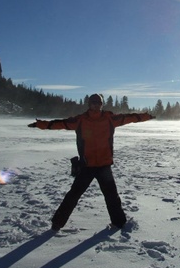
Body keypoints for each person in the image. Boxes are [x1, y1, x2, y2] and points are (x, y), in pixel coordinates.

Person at [28, 93, 154, 231]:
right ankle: (57, 223)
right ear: (89, 104)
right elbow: (61, 123)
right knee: (73, 195)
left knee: (112, 196)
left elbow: (130, 118)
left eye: (99, 103)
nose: (96, 105)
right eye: (94, 103)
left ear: (101, 105)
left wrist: (146, 116)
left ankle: (119, 223)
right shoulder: (81, 120)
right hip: (86, 166)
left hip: (104, 166)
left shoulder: (109, 118)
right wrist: (40, 124)